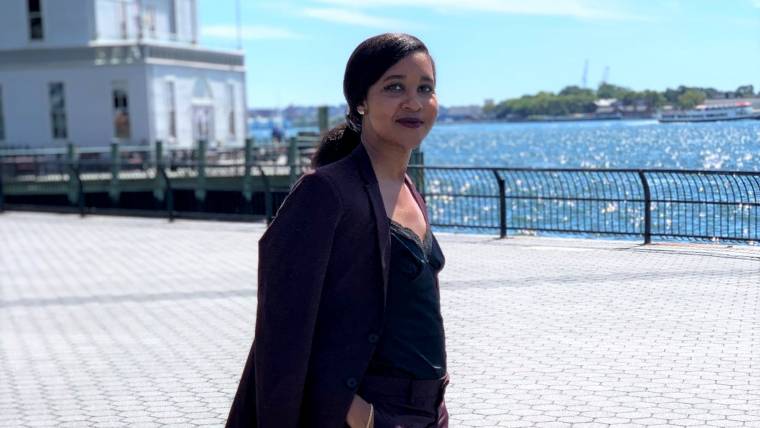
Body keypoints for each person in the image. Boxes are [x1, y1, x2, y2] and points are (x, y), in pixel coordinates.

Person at [226, 33, 449, 428]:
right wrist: (354, 411)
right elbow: (283, 325)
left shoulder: (409, 189)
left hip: (427, 410)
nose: (413, 102)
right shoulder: (327, 191)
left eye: (425, 88)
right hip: (366, 413)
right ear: (360, 101)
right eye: (394, 87)